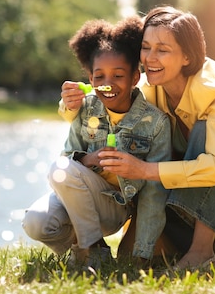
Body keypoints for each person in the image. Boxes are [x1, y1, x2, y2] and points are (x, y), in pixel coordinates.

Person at [59, 5, 215, 270]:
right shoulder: (150, 88)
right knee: (131, 256)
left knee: (202, 130)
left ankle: (201, 252)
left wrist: (144, 169)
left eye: (163, 50)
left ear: (187, 57)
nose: (150, 58)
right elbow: (107, 99)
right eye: (146, 47)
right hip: (198, 194)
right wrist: (69, 105)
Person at [22, 16, 172, 269]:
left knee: (61, 169)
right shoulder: (86, 109)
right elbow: (66, 160)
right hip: (77, 201)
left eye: (118, 75)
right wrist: (87, 160)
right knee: (36, 222)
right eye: (99, 76)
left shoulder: (155, 123)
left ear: (135, 77)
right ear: (90, 79)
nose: (108, 84)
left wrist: (142, 252)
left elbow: (155, 193)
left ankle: (89, 249)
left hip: (114, 206)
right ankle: (93, 246)